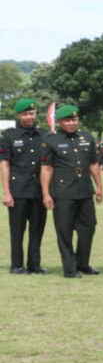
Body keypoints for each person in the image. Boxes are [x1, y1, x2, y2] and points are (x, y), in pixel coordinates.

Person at [39, 104, 103, 277]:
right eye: (68, 120)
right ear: (59, 122)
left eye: (74, 119)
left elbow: (93, 163)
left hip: (84, 191)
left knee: (88, 227)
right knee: (64, 231)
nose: (72, 123)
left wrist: (99, 186)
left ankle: (83, 263)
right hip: (63, 193)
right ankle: (70, 268)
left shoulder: (86, 137)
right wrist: (45, 193)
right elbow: (47, 169)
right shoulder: (50, 140)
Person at [1, 98, 49, 274]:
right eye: (25, 114)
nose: (29, 117)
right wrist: (6, 192)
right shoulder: (9, 136)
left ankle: (34, 264)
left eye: (31, 113)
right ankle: (17, 265)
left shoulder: (44, 135)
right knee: (17, 230)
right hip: (18, 190)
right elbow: (4, 165)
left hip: (38, 190)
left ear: (36, 114)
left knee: (37, 229)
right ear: (18, 115)